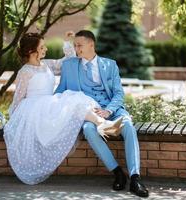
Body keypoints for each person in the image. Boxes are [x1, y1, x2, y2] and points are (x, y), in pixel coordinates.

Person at [3, 32, 123, 185]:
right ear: (30, 51)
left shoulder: (46, 64)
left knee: (76, 99)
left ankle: (103, 124)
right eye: (42, 47)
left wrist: (67, 42)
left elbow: (66, 61)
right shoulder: (24, 72)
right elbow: (18, 98)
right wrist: (13, 119)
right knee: (74, 102)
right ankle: (105, 125)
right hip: (35, 108)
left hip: (49, 103)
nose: (45, 48)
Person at [55, 30, 149, 197]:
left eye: (79, 45)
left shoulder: (110, 65)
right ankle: (117, 172)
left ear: (91, 45)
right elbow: (60, 92)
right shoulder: (69, 66)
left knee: (128, 126)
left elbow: (119, 93)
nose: (76, 49)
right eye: (75, 45)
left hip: (112, 109)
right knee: (89, 129)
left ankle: (135, 178)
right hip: (90, 113)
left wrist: (109, 110)